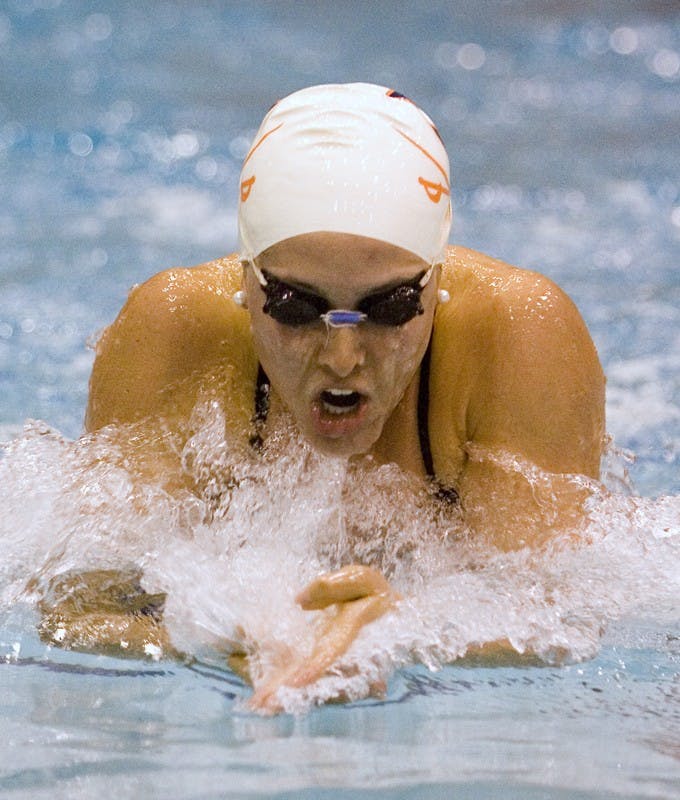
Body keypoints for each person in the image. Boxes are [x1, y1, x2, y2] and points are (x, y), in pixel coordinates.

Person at [39, 83, 605, 712]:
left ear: (437, 281)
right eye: (294, 305)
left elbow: (562, 620)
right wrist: (215, 638)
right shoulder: (175, 332)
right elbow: (78, 613)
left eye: (390, 306)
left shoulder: (519, 335)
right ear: (248, 284)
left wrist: (403, 630)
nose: (341, 357)